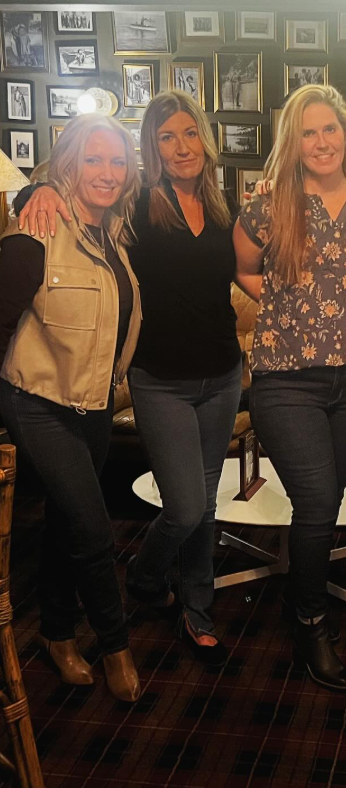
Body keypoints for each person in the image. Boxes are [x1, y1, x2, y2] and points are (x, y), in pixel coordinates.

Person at [18, 91, 242, 669]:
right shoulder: (136, 205)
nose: (181, 146)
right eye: (166, 137)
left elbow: (249, 272)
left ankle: (197, 609)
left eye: (190, 132)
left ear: (205, 139)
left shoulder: (225, 205)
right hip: (159, 380)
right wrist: (34, 187)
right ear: (152, 148)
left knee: (207, 505)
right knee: (187, 507)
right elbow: (68, 192)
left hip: (222, 376)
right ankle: (143, 578)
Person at [233, 84, 346, 691]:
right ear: (293, 142)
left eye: (330, 129)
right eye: (308, 132)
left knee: (329, 496)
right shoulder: (266, 205)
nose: (321, 141)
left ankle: (301, 600)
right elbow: (247, 271)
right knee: (319, 500)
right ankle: (310, 620)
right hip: (286, 382)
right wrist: (289, 312)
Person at [0, 114, 142, 701]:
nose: (106, 173)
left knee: (64, 521)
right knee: (91, 527)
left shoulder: (115, 235)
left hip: (93, 405)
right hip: (38, 401)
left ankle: (57, 634)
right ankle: (116, 646)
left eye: (116, 161)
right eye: (92, 160)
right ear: (67, 165)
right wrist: (35, 192)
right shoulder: (37, 228)